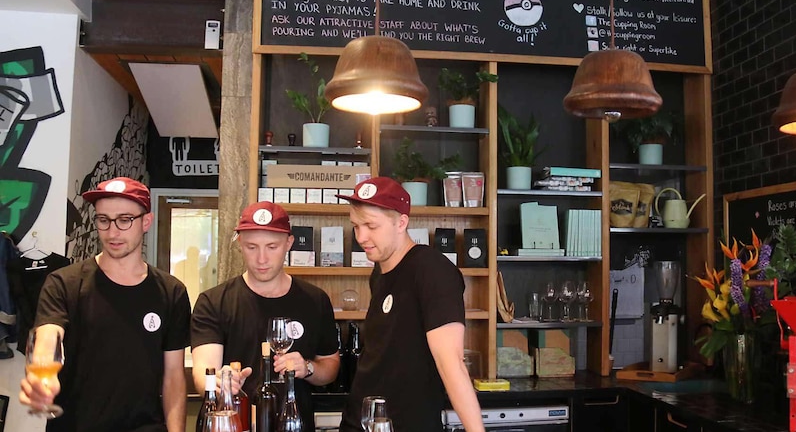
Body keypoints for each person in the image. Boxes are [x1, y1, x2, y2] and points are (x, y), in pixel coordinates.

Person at [19, 177, 191, 432]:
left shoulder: (171, 292)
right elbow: (48, 335)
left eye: (124, 220)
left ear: (146, 222)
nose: (112, 232)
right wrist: (42, 375)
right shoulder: (64, 283)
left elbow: (174, 376)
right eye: (103, 220)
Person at [336, 177, 484, 432]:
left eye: (371, 226)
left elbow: (452, 363)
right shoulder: (380, 272)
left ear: (401, 223)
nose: (361, 236)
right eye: (356, 226)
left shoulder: (431, 270)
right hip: (359, 421)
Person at [191, 201, 339, 430]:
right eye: (252, 247)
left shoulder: (315, 301)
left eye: (272, 247)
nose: (261, 259)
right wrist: (219, 383)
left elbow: (330, 366)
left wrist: (308, 368)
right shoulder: (213, 302)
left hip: (295, 425)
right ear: (240, 243)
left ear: (289, 243)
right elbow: (203, 372)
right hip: (237, 424)